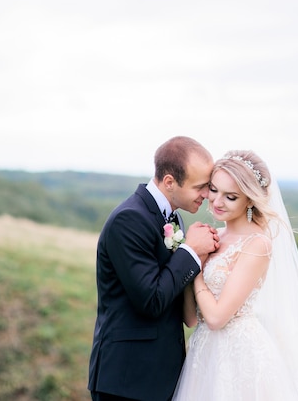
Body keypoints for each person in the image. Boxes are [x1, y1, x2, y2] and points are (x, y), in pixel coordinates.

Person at [172, 150, 298, 401]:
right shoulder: (213, 237)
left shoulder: (257, 245)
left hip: (239, 358)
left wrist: (196, 267)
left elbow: (217, 318)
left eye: (230, 197)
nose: (217, 202)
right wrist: (191, 254)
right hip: (203, 355)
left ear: (250, 200)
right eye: (214, 189)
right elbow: (191, 318)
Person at [88, 136, 220, 401]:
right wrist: (191, 251)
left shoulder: (174, 217)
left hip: (160, 377)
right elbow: (151, 300)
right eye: (200, 187)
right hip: (127, 379)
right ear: (169, 182)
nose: (207, 195)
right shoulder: (129, 219)